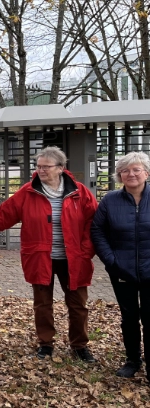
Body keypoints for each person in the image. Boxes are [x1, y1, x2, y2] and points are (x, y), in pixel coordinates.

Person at [0, 146, 98, 362]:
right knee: (42, 304)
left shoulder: (80, 192)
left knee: (78, 304)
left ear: (61, 168)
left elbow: (94, 223)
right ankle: (45, 344)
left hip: (74, 259)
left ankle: (79, 346)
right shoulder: (27, 192)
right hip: (40, 258)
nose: (41, 171)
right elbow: (1, 217)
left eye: (46, 167)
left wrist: (86, 251)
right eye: (38, 166)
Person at [91, 152, 150, 379]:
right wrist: (111, 261)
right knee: (129, 317)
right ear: (119, 175)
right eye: (125, 170)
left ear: (146, 172)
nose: (131, 174)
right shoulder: (110, 200)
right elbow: (97, 231)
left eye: (136, 169)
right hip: (122, 270)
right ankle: (132, 360)